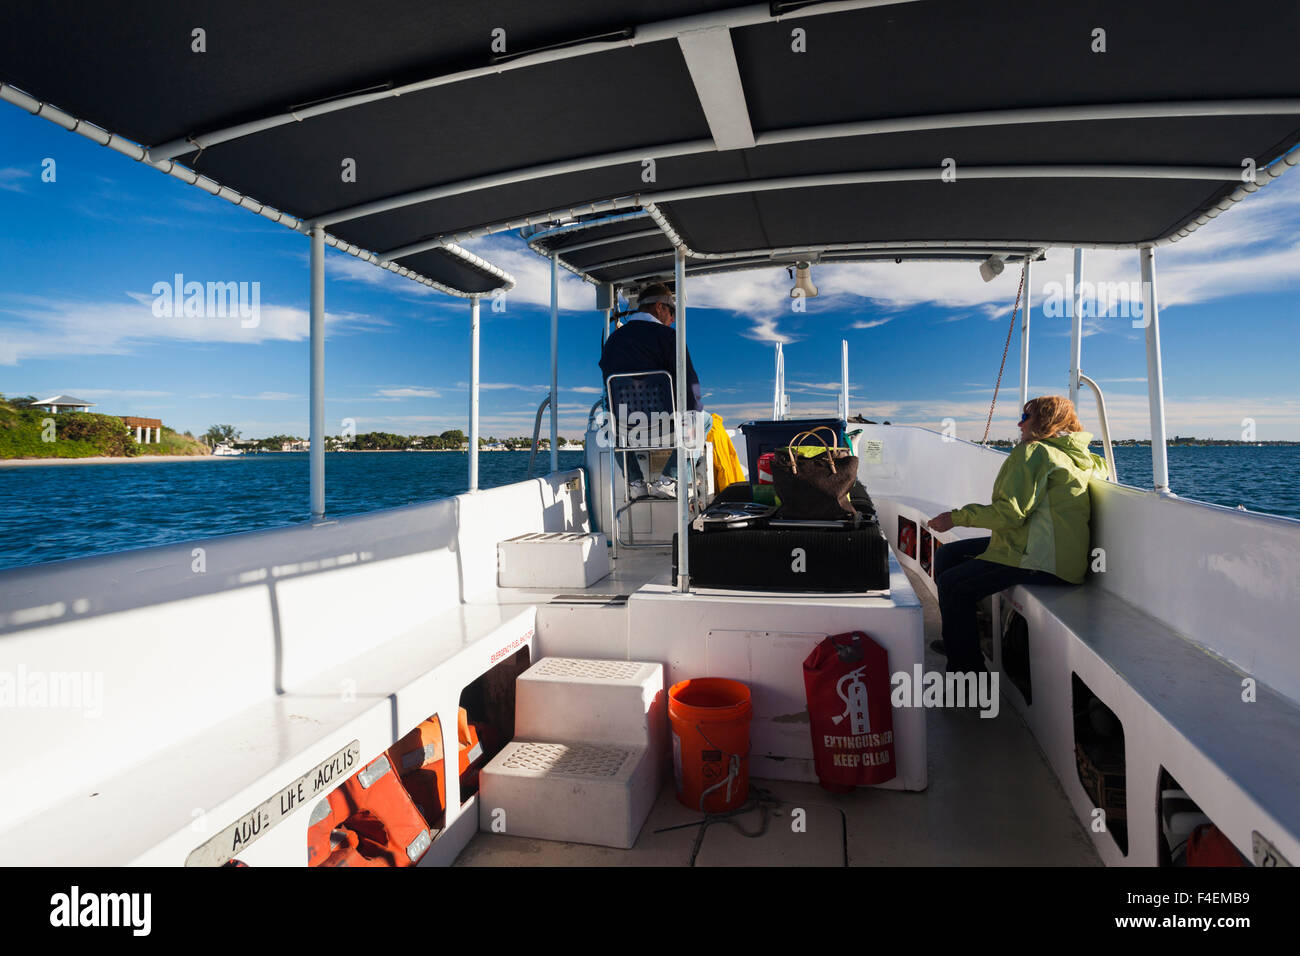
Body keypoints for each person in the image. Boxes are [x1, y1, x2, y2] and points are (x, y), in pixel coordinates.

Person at [926, 396, 1108, 673]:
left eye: (1026, 417)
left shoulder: (1035, 452)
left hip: (1043, 559)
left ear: (1044, 422)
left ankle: (967, 675)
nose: (1019, 423)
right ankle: (959, 640)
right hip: (1061, 556)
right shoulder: (1079, 456)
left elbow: (1010, 513)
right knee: (948, 555)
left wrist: (955, 518)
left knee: (953, 585)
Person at [598, 282, 703, 499]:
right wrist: (692, 416)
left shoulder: (612, 341)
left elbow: (608, 391)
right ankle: (669, 480)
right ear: (659, 307)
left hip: (626, 428)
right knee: (703, 420)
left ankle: (635, 482)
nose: (673, 319)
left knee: (607, 423)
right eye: (672, 312)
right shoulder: (669, 337)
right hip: (666, 425)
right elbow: (691, 388)